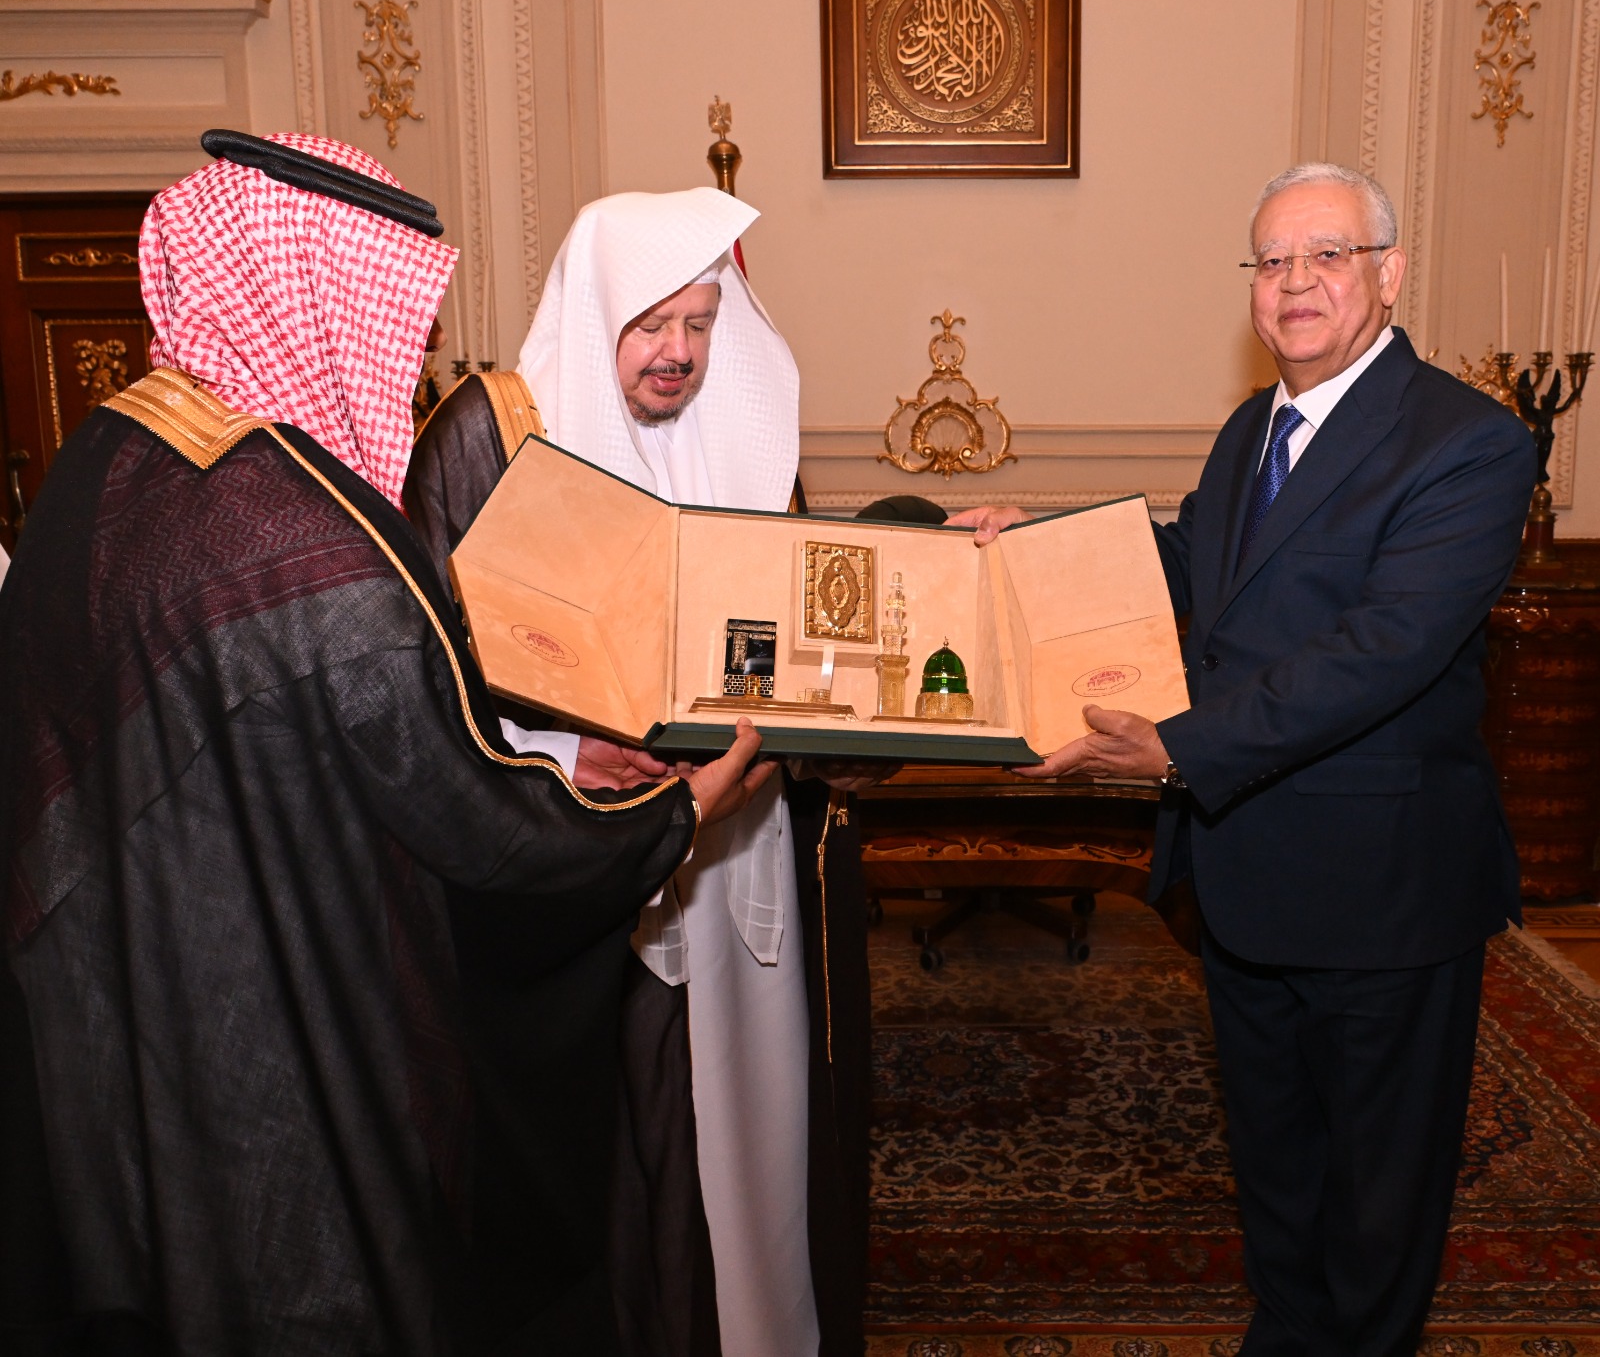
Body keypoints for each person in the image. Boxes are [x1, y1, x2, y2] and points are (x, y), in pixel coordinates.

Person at [0, 133, 772, 1356]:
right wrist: (672, 817)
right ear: (310, 298)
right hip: (270, 1039)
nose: (413, 355)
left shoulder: (114, 456)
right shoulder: (309, 551)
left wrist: (559, 763)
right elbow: (475, 828)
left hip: (116, 1013)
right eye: (400, 322)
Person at [957, 163, 1536, 1357]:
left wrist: (1176, 748)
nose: (1294, 283)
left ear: (1389, 273)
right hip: (1242, 871)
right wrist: (1038, 546)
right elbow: (1190, 566)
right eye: (1272, 261)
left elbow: (1382, 651)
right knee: (1276, 1163)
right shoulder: (1250, 429)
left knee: (1377, 1193)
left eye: (1326, 255)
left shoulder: (1468, 442)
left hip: (1380, 889)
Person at [404, 187, 873, 1357]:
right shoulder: (487, 438)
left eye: (701, 325)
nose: (679, 354)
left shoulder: (742, 439)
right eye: (651, 324)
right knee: (615, 1137)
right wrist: (570, 753)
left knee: (744, 1124)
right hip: (567, 854)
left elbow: (793, 631)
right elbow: (425, 676)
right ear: (595, 313)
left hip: (735, 838)